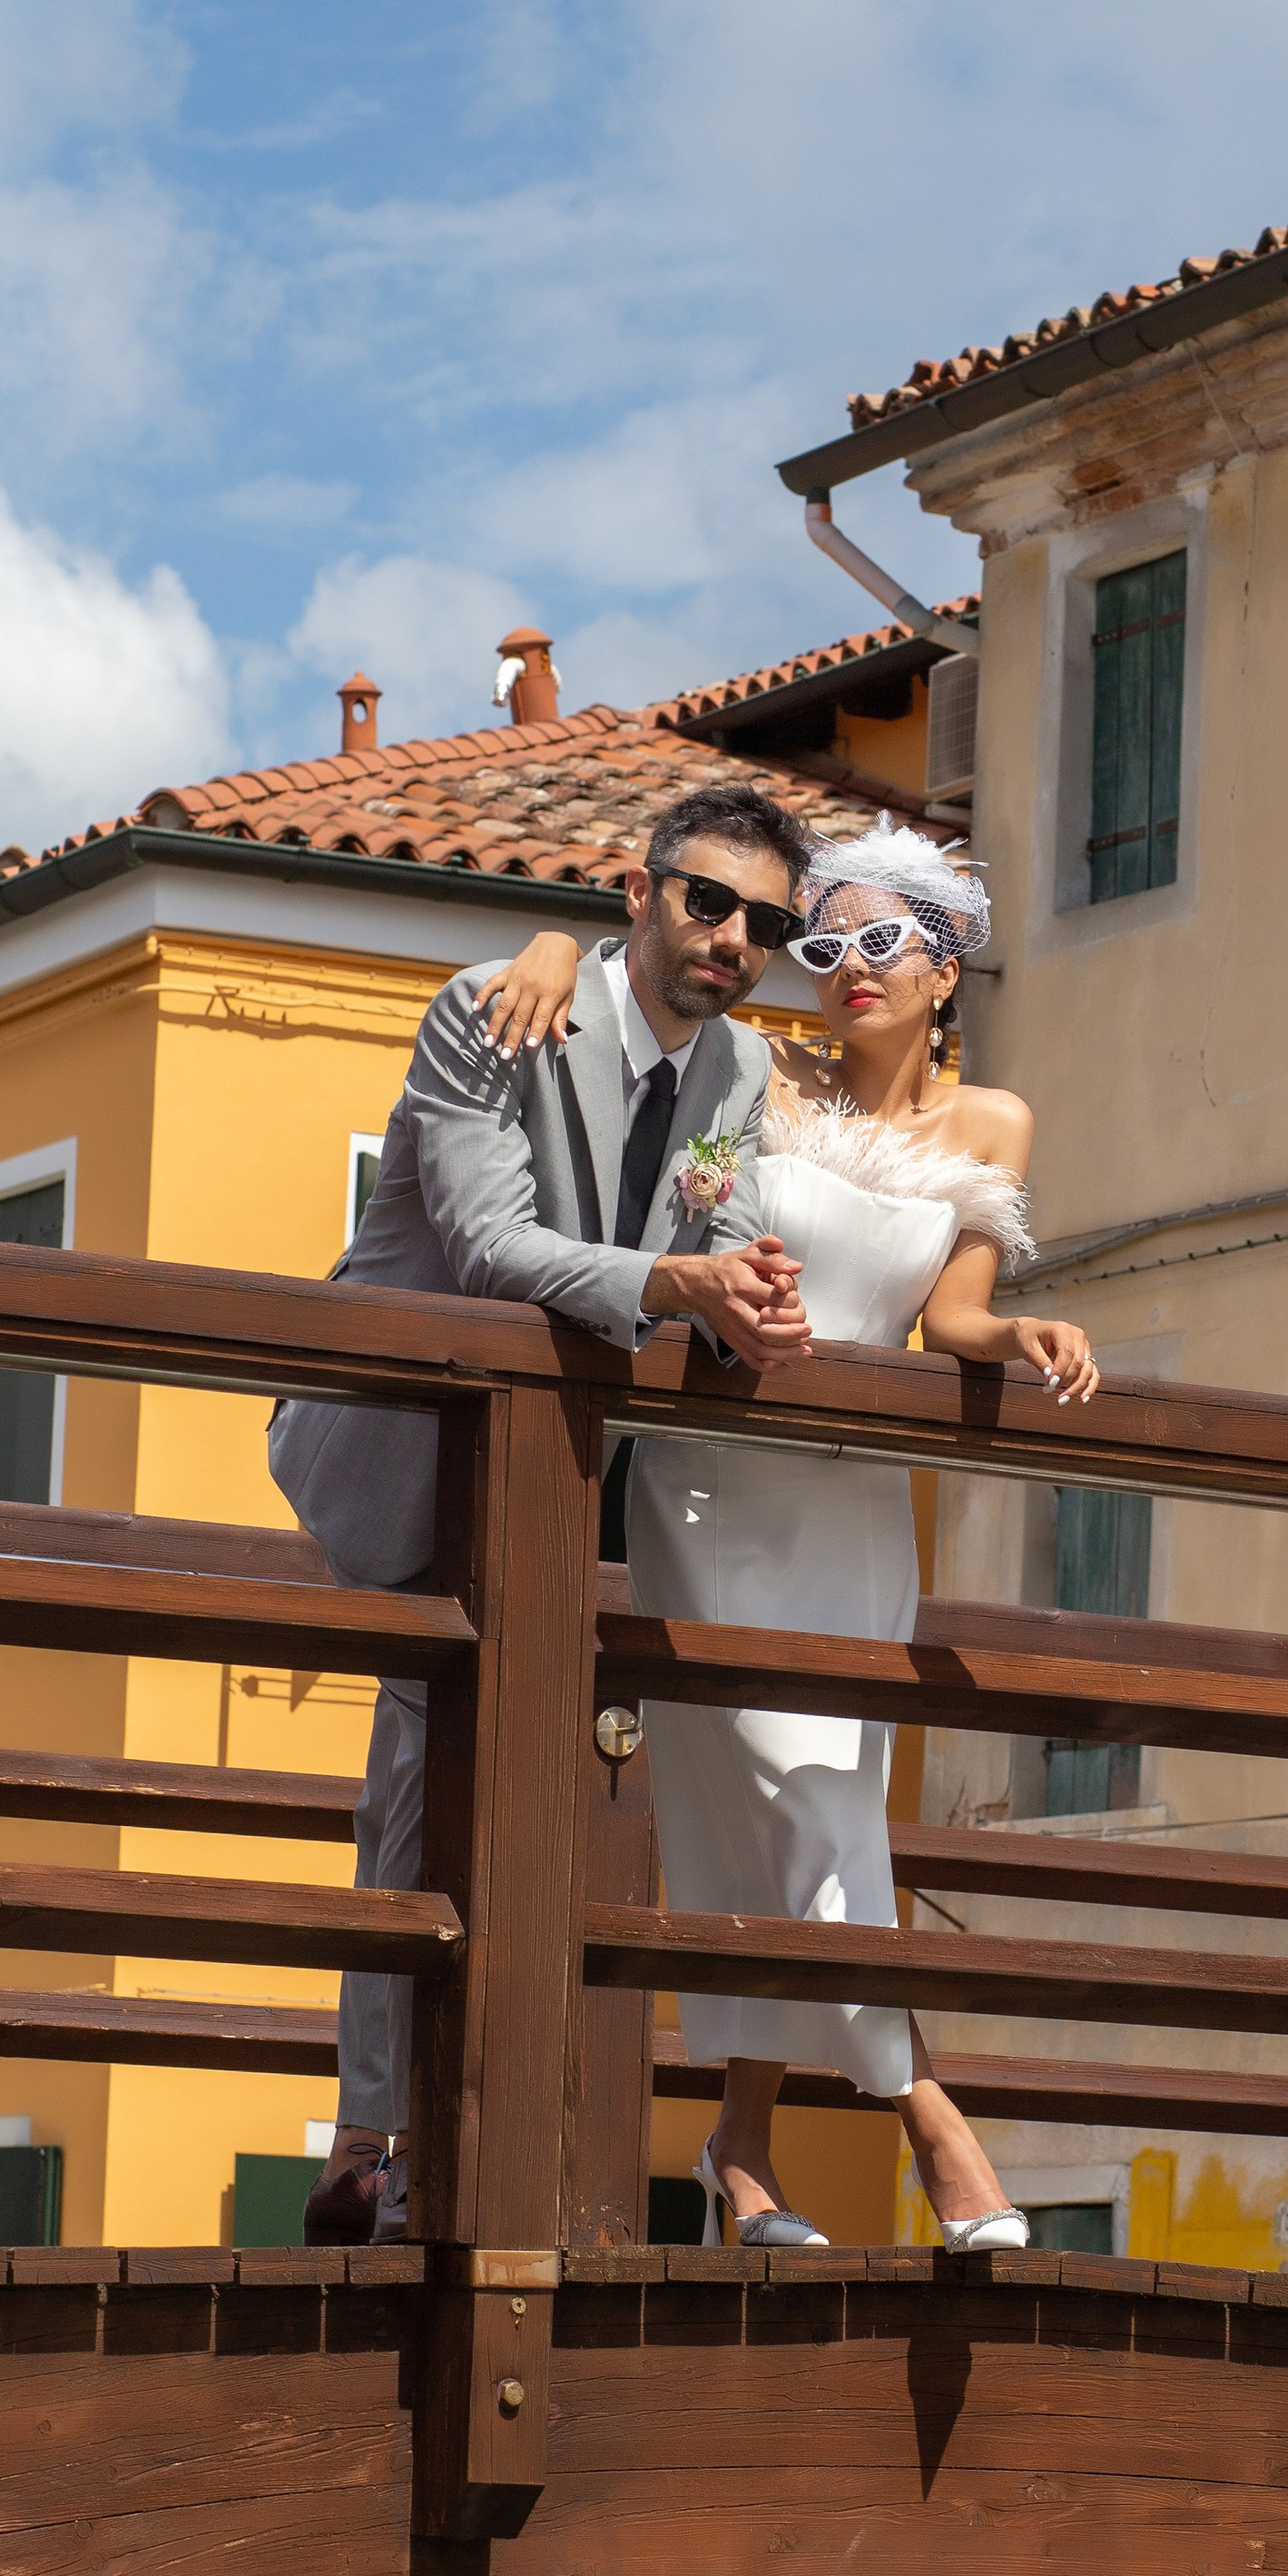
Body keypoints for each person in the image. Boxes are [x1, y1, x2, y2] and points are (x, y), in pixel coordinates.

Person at [497, 817, 1096, 2252]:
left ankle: (743, 2143)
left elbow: (948, 1319)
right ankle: (935, 2121)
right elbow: (640, 1089)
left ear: (946, 968)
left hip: (856, 1509)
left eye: (881, 942)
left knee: (799, 1809)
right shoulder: (751, 1075)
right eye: (823, 945)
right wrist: (549, 945)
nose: (846, 969)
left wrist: (1022, 1332)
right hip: (712, 1486)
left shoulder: (994, 1124)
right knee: (797, 1800)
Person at [269, 780, 816, 2242]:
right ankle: (388, 2143)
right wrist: (678, 1285)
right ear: (640, 893)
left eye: (766, 924)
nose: (733, 937)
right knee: (426, 1775)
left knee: (489, 1792)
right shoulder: (492, 1008)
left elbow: (707, 1225)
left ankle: (419, 2150)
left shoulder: (740, 1072)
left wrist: (745, 1303)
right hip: (403, 1448)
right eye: (708, 899)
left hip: (566, 1481)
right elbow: (488, 1246)